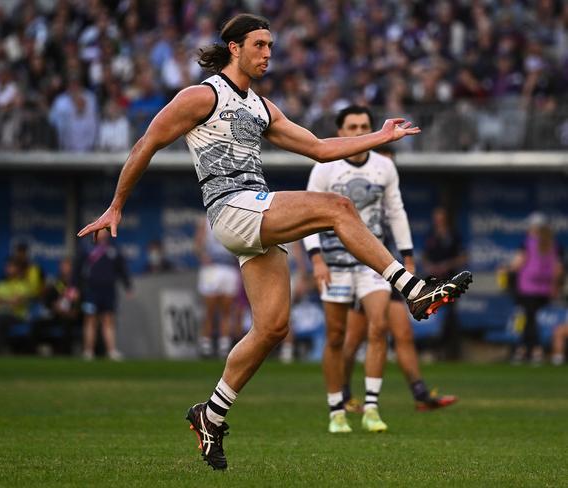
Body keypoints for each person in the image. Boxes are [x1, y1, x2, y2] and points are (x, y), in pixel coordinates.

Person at [77, 14, 472, 470]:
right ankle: (413, 290)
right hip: (231, 207)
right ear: (234, 48)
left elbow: (321, 148)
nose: (268, 53)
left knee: (272, 328)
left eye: (271, 46)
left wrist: (380, 137)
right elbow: (147, 143)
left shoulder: (262, 106)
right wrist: (116, 205)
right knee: (337, 207)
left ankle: (211, 413)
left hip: (253, 211)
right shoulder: (201, 95)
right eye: (260, 45)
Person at [302, 107, 422, 433]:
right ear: (340, 132)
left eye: (365, 126)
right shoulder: (324, 167)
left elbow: (396, 212)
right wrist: (315, 259)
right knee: (337, 336)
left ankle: (371, 407)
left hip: (374, 262)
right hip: (335, 264)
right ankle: (336, 409)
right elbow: (307, 213)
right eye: (352, 126)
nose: (358, 131)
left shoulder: (385, 166)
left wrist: (407, 257)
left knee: (378, 325)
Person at [340, 147, 457, 415]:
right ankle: (343, 394)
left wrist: (408, 259)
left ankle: (420, 393)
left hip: (390, 273)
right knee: (353, 339)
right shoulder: (356, 193)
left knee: (402, 333)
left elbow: (398, 228)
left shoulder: (390, 199)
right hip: (363, 271)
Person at [507, 212, 563, 365]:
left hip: (527, 288)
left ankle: (532, 350)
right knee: (531, 319)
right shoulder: (553, 244)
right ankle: (526, 350)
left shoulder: (528, 243)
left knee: (528, 319)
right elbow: (558, 270)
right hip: (544, 289)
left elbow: (518, 263)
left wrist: (506, 270)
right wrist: (554, 286)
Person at [77, 229, 132, 361]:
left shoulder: (114, 249)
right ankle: (88, 351)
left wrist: (128, 286)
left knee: (109, 320)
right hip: (92, 290)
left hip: (109, 290)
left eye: (104, 230)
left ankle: (111, 351)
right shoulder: (87, 249)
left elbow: (122, 269)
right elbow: (77, 269)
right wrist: (74, 287)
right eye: (100, 230)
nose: (103, 233)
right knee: (90, 320)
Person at [422, 207, 468, 360]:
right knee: (431, 314)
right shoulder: (430, 235)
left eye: (440, 218)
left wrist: (446, 265)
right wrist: (430, 267)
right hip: (433, 282)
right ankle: (432, 350)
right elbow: (424, 256)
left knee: (450, 316)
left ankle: (450, 351)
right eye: (436, 218)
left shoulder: (453, 236)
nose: (438, 221)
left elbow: (463, 257)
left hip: (450, 281)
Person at [195, 215, 241, 358]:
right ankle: (206, 344)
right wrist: (203, 256)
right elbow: (197, 244)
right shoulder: (206, 220)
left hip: (228, 268)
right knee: (210, 309)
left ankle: (224, 344)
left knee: (227, 310)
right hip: (212, 269)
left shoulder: (233, 217)